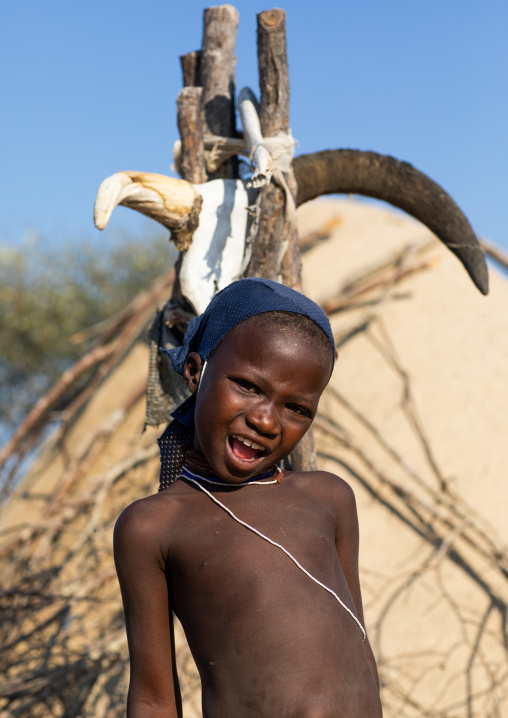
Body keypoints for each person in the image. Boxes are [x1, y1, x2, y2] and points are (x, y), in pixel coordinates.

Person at [114, 277, 383, 718]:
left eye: (296, 408)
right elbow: (153, 699)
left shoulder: (329, 499)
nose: (265, 420)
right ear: (196, 372)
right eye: (249, 386)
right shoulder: (154, 526)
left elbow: (359, 648)